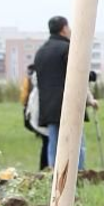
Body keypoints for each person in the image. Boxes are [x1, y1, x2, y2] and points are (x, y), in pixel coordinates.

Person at [34, 16, 87, 170]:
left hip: (48, 105)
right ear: (64, 29)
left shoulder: (41, 52)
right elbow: (78, 72)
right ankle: (78, 175)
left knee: (54, 143)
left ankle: (54, 175)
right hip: (68, 103)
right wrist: (91, 76)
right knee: (76, 143)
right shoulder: (68, 48)